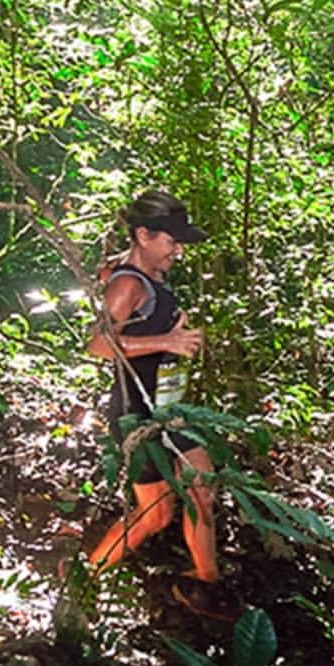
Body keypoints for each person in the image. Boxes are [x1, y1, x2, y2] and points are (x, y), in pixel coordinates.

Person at [81, 189, 239, 620]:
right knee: (156, 515)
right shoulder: (129, 284)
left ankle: (206, 583)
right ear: (145, 235)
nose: (179, 249)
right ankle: (85, 580)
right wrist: (167, 341)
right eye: (172, 240)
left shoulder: (141, 268)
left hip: (170, 412)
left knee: (202, 490)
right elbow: (97, 344)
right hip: (137, 415)